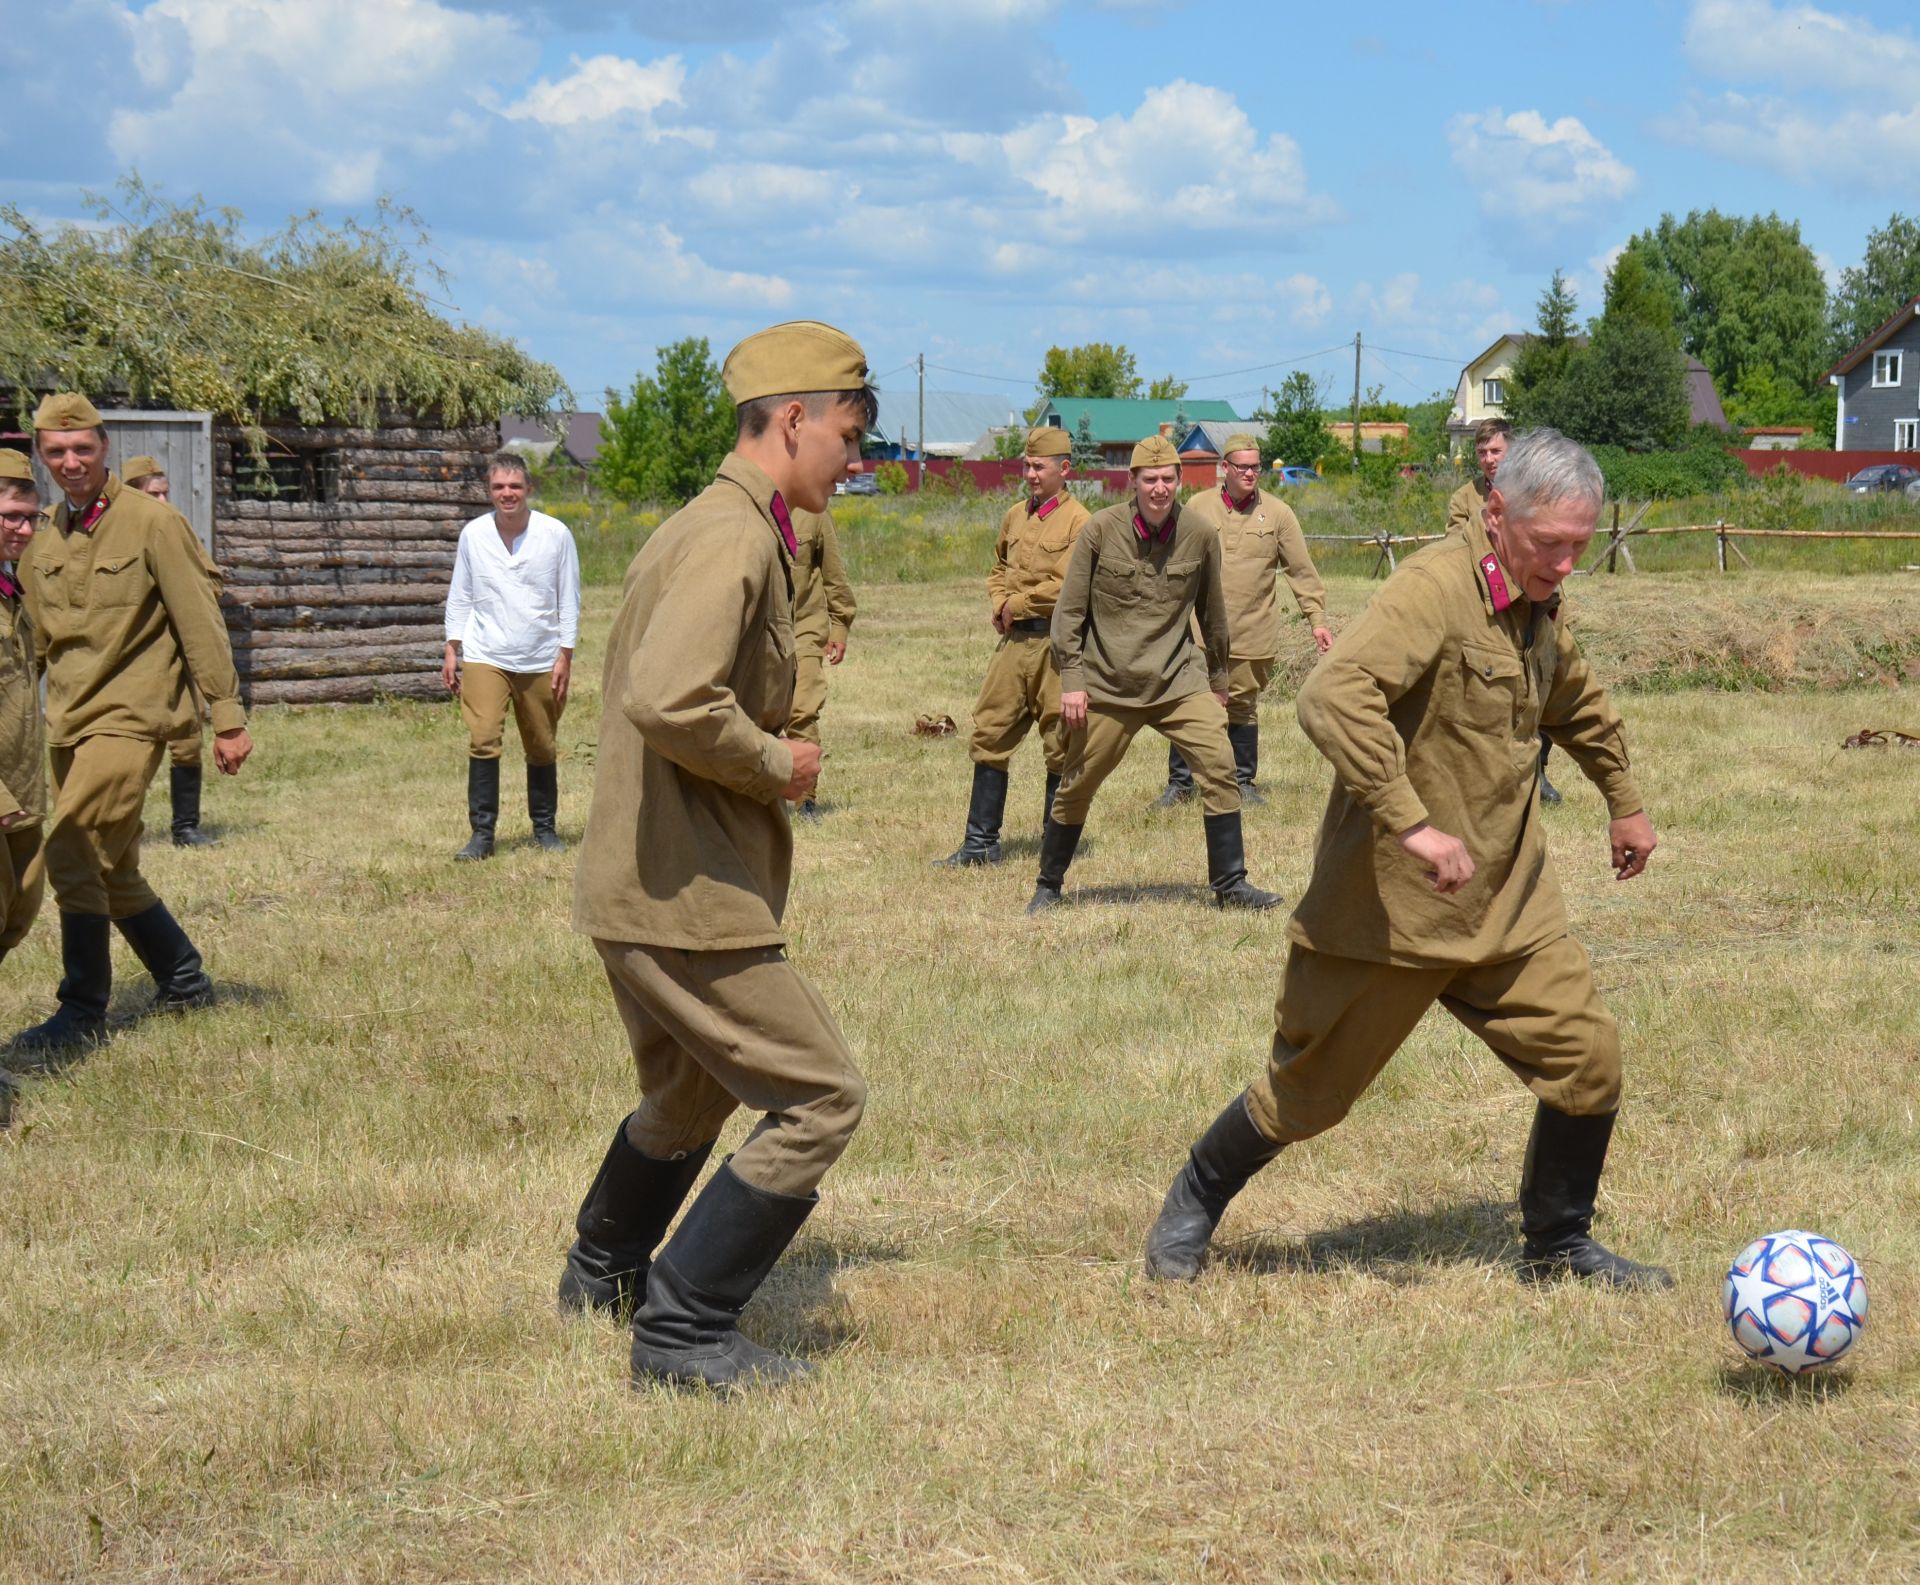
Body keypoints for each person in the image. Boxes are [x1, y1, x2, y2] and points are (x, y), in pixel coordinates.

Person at [1143, 429, 1671, 1292]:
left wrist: (1625, 798)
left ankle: (1556, 1243)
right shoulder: (1433, 588)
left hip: (1507, 904)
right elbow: (1332, 695)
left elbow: (1570, 695)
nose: (1568, 564)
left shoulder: (1537, 596)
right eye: (1553, 544)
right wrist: (1414, 823)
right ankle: (1195, 1198)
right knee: (1306, 1097)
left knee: (1588, 1063)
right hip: (1393, 910)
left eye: (1582, 545)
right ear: (1499, 513)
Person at [565, 320, 877, 1393]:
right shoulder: (735, 538)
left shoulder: (715, 523)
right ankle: (685, 1327)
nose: (855, 457)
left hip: (646, 877)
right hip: (682, 890)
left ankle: (601, 1274)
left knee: (692, 1097)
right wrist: (774, 760)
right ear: (792, 420)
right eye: (848, 432)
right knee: (821, 1094)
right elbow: (667, 696)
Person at [13, 394, 253, 1055]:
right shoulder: (43, 545)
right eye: (57, 451)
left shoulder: (152, 522)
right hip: (69, 723)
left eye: (82, 448)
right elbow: (31, 650)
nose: (71, 461)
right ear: (41, 455)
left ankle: (82, 1009)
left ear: (104, 448)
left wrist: (225, 715)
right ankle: (183, 979)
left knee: (69, 847)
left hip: (133, 715)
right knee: (111, 868)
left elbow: (199, 620)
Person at [1030, 435, 1283, 915]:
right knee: (1077, 781)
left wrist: (1219, 682)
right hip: (1108, 682)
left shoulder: (1200, 535)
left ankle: (1231, 883)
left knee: (1220, 765)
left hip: (1177, 681)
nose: (1160, 488)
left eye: (1168, 478)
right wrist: (1073, 682)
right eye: (1150, 479)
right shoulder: (1100, 532)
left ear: (1180, 481)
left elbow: (1213, 615)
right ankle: (1049, 885)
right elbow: (1069, 614)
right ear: (1133, 482)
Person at [936, 426, 1090, 867]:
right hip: (1013, 642)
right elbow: (998, 566)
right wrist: (1000, 600)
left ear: (1063, 469)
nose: (1030, 474)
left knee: (1061, 742)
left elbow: (1067, 586)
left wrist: (1017, 602)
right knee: (989, 732)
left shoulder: (1081, 521)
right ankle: (979, 844)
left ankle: (1054, 846)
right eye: (1026, 466)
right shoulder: (1015, 514)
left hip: (1055, 646)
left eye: (1038, 467)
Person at [1154, 433, 1333, 810]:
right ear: (1225, 468)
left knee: (1242, 705)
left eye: (1256, 466)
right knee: (1189, 703)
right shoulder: (1197, 507)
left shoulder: (1279, 514)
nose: (1251, 473)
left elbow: (1300, 570)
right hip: (1201, 634)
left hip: (1253, 632)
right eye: (1243, 467)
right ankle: (1180, 784)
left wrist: (1316, 618)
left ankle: (1242, 782)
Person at [442, 451, 581, 859]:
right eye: (499, 487)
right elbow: (461, 593)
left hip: (539, 655)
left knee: (541, 744)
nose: (507, 494)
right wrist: (453, 647)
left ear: (529, 489)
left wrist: (565, 655)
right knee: (483, 738)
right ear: (489, 491)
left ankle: (545, 830)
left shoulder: (555, 535)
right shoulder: (474, 535)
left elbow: (569, 599)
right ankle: (482, 836)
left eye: (515, 486)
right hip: (487, 653)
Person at [1448, 418, 1560, 803]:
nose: (1488, 459)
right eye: (1482, 453)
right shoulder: (1465, 498)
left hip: (1536, 600)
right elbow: (1458, 545)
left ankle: (1539, 773)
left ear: (1511, 451)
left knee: (1541, 688)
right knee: (1499, 691)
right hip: (1490, 603)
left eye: (1495, 451)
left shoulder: (1535, 490)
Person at [122, 455, 222, 847]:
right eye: (153, 494)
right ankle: (121, 826)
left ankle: (185, 827)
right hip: (135, 662)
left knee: (188, 741)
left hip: (179, 652)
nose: (162, 501)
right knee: (131, 749)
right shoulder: (117, 537)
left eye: (165, 493)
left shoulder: (174, 529)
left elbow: (208, 579)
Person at [0, 450, 48, 970]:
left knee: (21, 906)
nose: (23, 529)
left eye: (30, 517)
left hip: (22, 788)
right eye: (10, 516)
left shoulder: (10, 583)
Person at [785, 504, 855, 821]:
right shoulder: (750, 506)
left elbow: (834, 575)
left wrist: (839, 625)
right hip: (758, 630)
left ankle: (805, 800)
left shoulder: (812, 512)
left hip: (804, 628)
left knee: (802, 710)